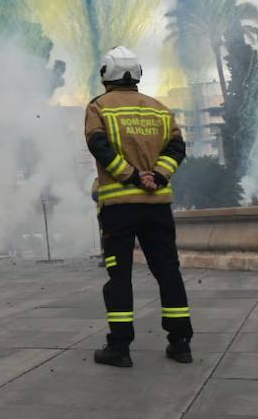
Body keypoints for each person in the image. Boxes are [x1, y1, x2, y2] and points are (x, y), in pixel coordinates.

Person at [84, 46, 193, 368]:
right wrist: (156, 176)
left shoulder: (99, 107)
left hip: (118, 207)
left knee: (119, 276)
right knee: (168, 272)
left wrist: (131, 176)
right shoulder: (160, 109)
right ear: (138, 75)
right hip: (157, 205)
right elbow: (177, 147)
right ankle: (180, 343)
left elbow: (98, 146)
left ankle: (119, 347)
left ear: (106, 75)